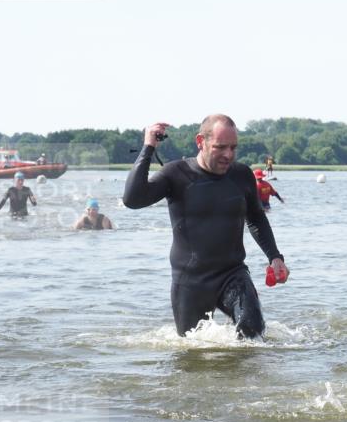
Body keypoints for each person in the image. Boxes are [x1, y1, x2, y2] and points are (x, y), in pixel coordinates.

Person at [122, 115, 288, 338]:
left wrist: (275, 257)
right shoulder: (176, 173)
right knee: (192, 347)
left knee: (253, 332)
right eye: (220, 147)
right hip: (191, 280)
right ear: (201, 141)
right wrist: (148, 147)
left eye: (233, 147)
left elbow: (256, 218)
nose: (228, 154)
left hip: (233, 273)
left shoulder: (241, 175)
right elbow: (132, 199)